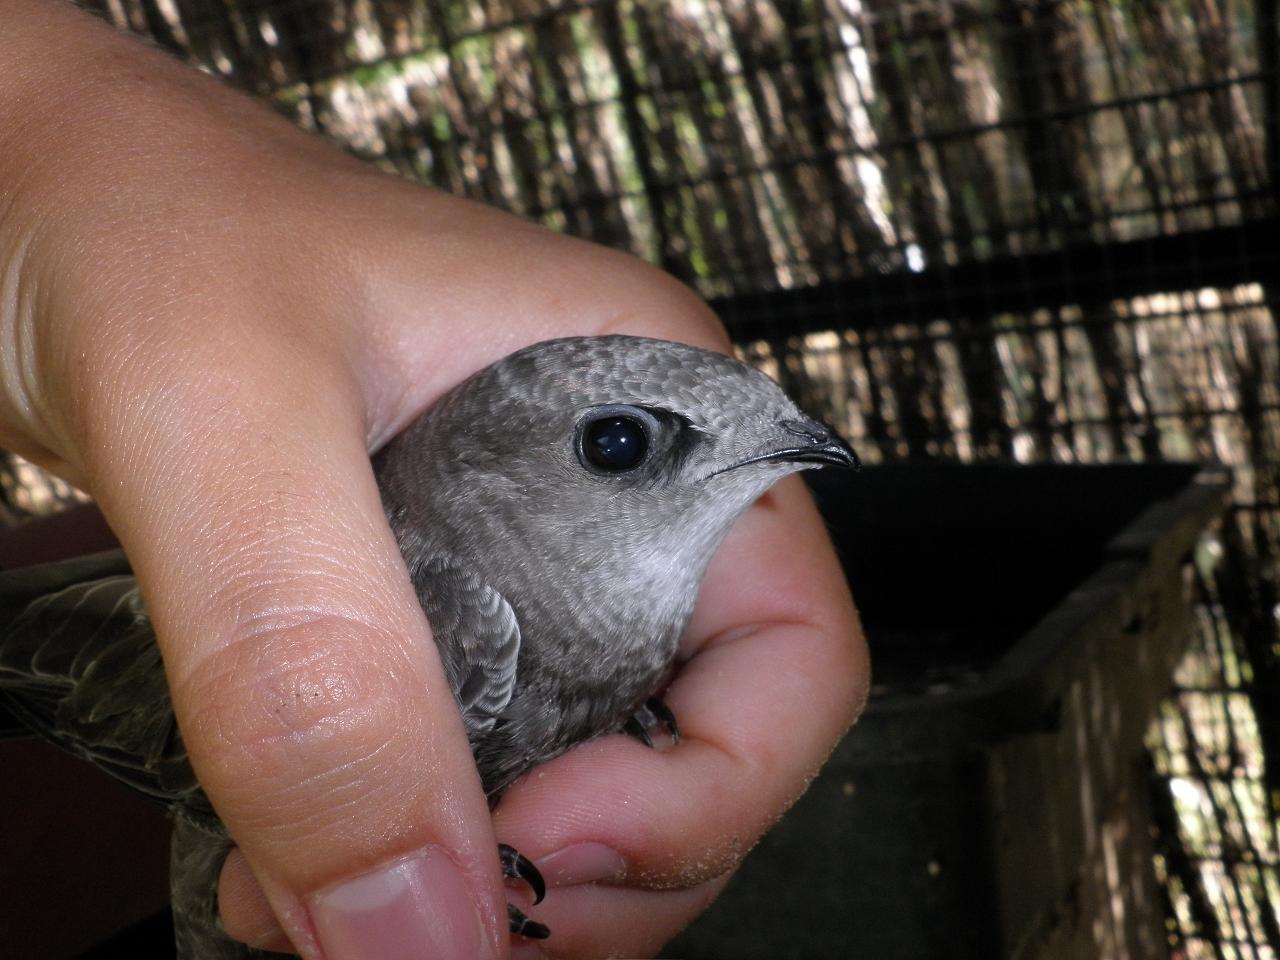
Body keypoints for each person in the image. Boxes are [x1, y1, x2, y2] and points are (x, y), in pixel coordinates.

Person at [0, 2, 868, 957]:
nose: (776, 462)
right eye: (620, 445)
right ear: (494, 479)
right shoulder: (454, 614)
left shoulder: (642, 615)